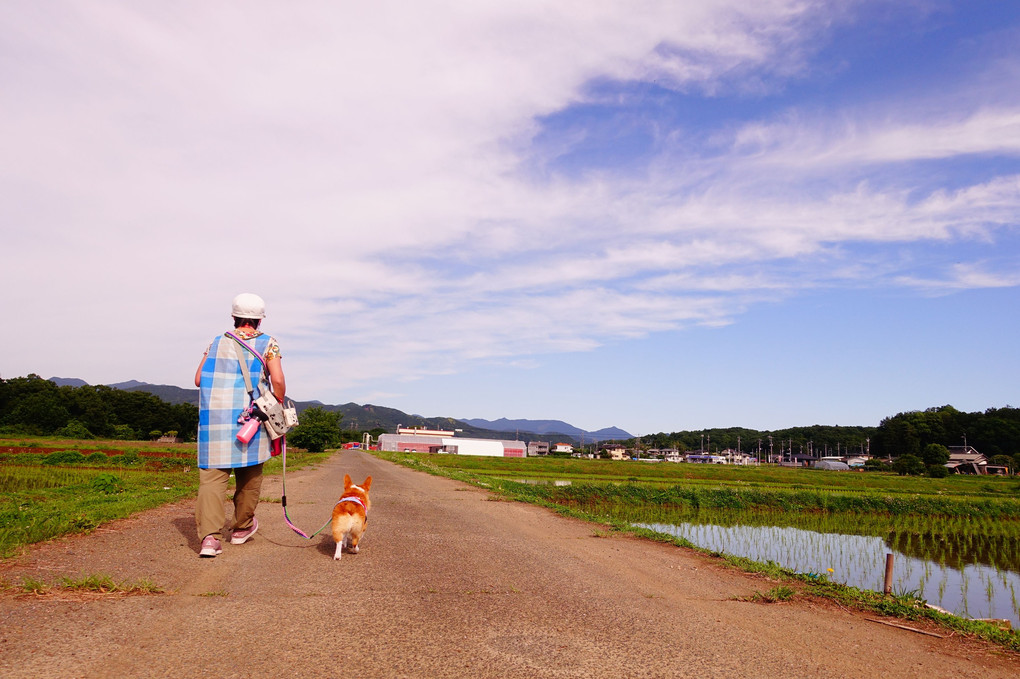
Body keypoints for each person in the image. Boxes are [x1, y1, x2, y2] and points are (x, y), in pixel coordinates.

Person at [193, 293, 286, 557]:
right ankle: (241, 528)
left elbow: (199, 378)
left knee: (212, 480)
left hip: (215, 420)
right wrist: (275, 402)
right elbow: (277, 381)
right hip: (251, 418)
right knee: (249, 474)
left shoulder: (216, 342)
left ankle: (209, 540)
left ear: (234, 317)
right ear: (259, 320)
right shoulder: (269, 343)